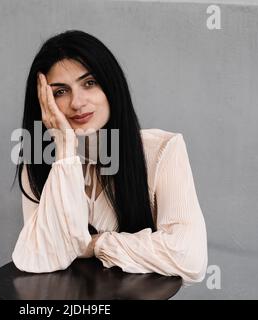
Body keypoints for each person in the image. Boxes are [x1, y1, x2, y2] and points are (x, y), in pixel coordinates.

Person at [12, 30, 207, 284]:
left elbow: (190, 258)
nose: (77, 103)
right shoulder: (39, 162)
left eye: (89, 83)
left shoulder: (163, 149)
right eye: (60, 92)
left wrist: (95, 245)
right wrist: (65, 149)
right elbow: (41, 256)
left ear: (110, 85)